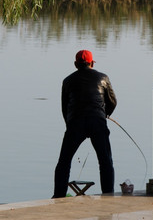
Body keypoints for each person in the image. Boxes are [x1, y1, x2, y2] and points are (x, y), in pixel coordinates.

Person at [52, 50, 117, 198]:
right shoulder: (103, 78)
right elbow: (113, 102)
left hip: (75, 123)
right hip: (97, 122)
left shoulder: (67, 81)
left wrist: (70, 126)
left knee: (64, 162)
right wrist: (104, 115)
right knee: (105, 161)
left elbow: (64, 107)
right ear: (92, 63)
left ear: (76, 64)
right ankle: (108, 196)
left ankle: (58, 197)